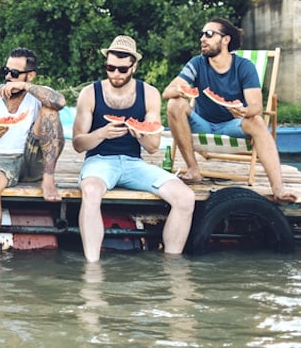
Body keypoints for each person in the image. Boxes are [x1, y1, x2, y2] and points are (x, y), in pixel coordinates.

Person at [73, 36, 195, 262]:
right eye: (110, 67)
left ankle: (171, 266)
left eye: (122, 69)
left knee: (185, 197)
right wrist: (101, 133)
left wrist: (141, 136)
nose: (115, 74)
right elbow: (78, 144)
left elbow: (152, 147)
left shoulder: (149, 93)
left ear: (134, 66)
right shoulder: (90, 93)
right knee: (90, 192)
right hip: (99, 160)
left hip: (133, 163)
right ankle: (92, 267)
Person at [162, 18, 297, 205]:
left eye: (209, 34)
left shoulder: (244, 66)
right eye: (201, 34)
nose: (203, 38)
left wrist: (243, 111)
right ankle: (193, 170)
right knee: (174, 104)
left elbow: (256, 106)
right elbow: (167, 92)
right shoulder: (197, 63)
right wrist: (182, 90)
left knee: (257, 121)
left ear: (225, 39)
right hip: (201, 123)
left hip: (232, 125)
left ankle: (278, 189)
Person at [0, 47, 66, 260]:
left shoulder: (37, 93)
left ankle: (48, 178)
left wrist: (25, 86)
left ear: (30, 75)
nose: (8, 77)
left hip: (32, 156)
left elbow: (59, 102)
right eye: (7, 71)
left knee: (50, 111)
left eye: (14, 73)